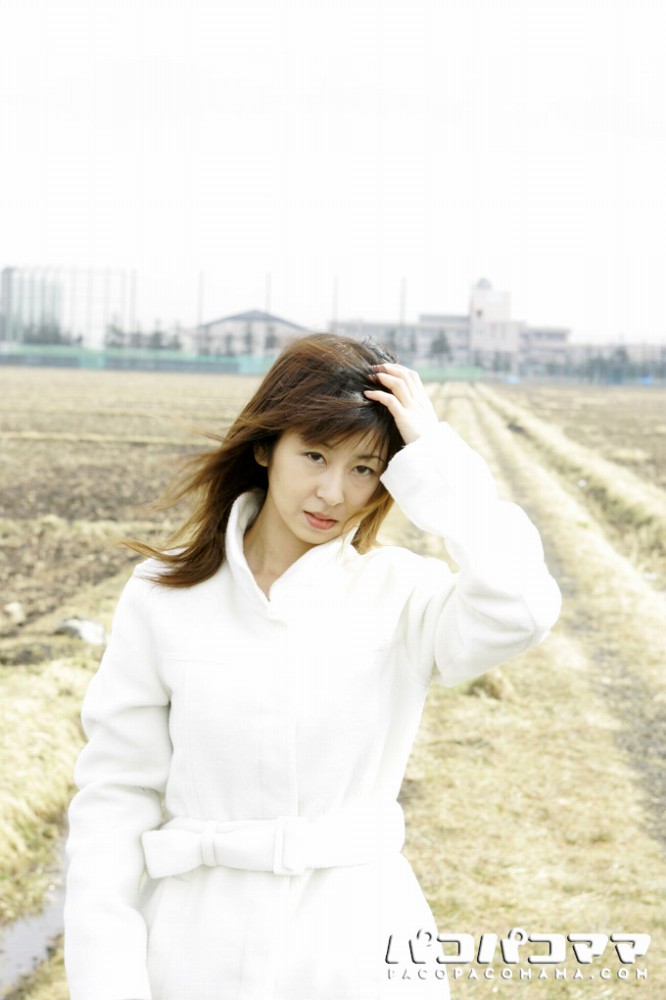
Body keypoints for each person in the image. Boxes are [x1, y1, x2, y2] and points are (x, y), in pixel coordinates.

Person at [63, 333, 561, 1000]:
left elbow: (523, 607)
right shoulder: (162, 596)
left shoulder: (403, 593)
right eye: (315, 455)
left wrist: (437, 460)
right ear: (266, 446)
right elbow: (115, 799)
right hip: (192, 951)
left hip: (358, 948)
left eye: (364, 469)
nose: (332, 492)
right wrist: (108, 983)